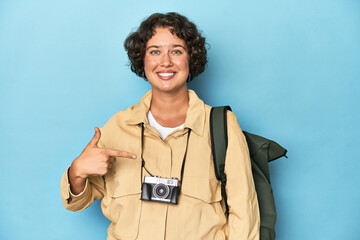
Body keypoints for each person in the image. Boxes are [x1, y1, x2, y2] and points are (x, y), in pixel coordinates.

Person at [60, 12, 260, 240]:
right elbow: (76, 203)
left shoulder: (222, 126)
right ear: (142, 59)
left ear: (191, 58)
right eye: (155, 51)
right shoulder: (117, 126)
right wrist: (77, 172)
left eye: (176, 51)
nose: (165, 61)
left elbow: (245, 216)